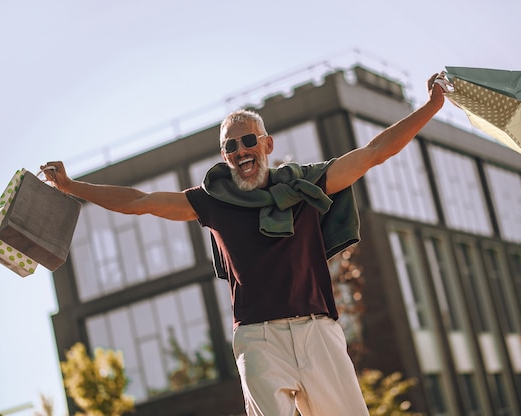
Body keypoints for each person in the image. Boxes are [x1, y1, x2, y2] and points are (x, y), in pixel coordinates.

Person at [42, 72, 446, 416]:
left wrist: (431, 106)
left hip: (317, 330)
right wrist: (71, 185)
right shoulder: (213, 202)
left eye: (248, 141)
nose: (241, 151)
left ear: (267, 145)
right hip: (258, 340)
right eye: (231, 146)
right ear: (224, 155)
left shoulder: (306, 186)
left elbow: (375, 153)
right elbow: (138, 202)